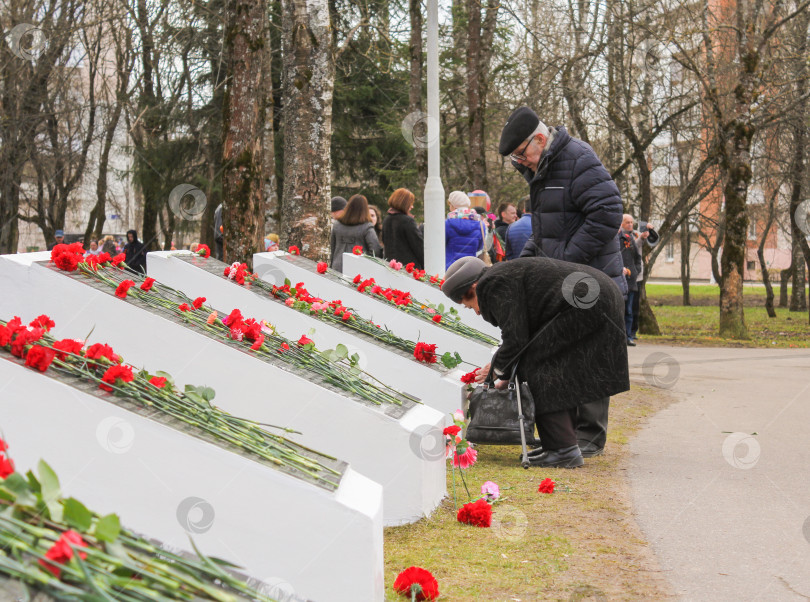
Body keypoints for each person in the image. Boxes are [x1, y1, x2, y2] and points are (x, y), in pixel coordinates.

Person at [498, 106, 627, 458]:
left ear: (540, 139)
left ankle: (589, 436)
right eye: (516, 158)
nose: (521, 162)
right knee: (568, 357)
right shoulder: (543, 170)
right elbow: (546, 231)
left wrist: (564, 262)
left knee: (591, 357)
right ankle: (566, 436)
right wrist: (521, 266)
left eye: (522, 154)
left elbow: (608, 212)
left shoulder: (577, 158)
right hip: (568, 280)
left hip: (593, 280)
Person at [442, 255, 629, 468]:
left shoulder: (492, 284)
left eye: (469, 304)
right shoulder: (500, 276)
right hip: (597, 296)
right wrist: (499, 367)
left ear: (474, 287)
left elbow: (516, 338)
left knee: (539, 366)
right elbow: (522, 334)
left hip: (587, 301)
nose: (476, 311)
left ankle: (563, 449)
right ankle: (560, 444)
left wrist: (497, 372)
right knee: (551, 365)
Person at [330, 194, 382, 272]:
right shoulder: (367, 227)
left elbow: (332, 248)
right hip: (359, 268)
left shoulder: (337, 225)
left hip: (337, 267)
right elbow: (375, 251)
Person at [382, 188, 424, 269]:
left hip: (391, 267)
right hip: (408, 269)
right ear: (404, 203)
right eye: (410, 203)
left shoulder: (387, 220)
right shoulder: (408, 221)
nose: (412, 206)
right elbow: (419, 247)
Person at [445, 190, 485, 269]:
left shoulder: (447, 223)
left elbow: (442, 245)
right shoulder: (480, 224)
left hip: (449, 267)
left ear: (453, 205)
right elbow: (480, 247)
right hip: (470, 267)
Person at [619, 214, 642, 346]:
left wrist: (635, 271)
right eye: (627, 222)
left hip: (630, 280)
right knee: (620, 309)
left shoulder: (631, 239)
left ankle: (628, 336)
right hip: (618, 279)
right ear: (621, 224)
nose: (630, 225)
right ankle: (620, 335)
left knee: (629, 310)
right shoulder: (616, 239)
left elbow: (637, 258)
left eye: (631, 222)